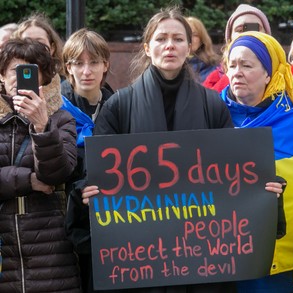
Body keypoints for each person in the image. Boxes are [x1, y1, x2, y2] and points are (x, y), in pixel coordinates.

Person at [74, 7, 244, 293]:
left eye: (178, 39)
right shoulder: (119, 107)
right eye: (161, 38)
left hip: (200, 257)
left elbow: (231, 176)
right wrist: (89, 191)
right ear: (147, 47)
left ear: (190, 47)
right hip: (139, 260)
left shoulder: (213, 105)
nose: (170, 45)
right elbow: (96, 173)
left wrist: (261, 190)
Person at [221, 31, 293, 292]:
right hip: (220, 257)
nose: (237, 72)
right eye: (232, 65)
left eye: (247, 65)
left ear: (268, 74)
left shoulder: (292, 124)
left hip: (275, 265)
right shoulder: (212, 116)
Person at [0, 38, 80, 292]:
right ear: (1, 76)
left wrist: (42, 127)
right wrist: (28, 180)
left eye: (30, 71)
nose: (21, 77)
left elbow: (58, 173)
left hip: (52, 249)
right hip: (5, 248)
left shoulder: (60, 119)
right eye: (14, 70)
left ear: (43, 78)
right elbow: (38, 179)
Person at [60, 27, 114, 293]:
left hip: (109, 228)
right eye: (78, 63)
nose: (86, 71)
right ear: (67, 68)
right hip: (65, 225)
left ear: (106, 65)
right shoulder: (55, 112)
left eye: (94, 62)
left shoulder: (120, 108)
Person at [203, 4, 271, 92]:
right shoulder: (214, 80)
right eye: (240, 30)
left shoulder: (285, 76)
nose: (247, 34)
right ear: (230, 39)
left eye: (254, 29)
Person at [13, 12, 65, 78]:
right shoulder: (10, 81)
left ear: (52, 48)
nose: (33, 47)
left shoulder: (65, 84)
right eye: (27, 42)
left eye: (40, 43)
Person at [185, 16, 220, 83]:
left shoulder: (214, 67)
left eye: (194, 35)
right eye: (186, 34)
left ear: (202, 40)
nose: (189, 38)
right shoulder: (172, 66)